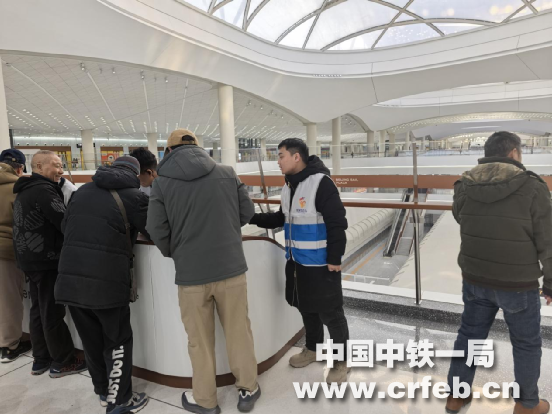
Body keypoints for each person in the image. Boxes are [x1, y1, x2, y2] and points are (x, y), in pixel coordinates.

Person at [146, 129, 259, 414]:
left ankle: (206, 401)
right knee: (239, 332)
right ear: (198, 147)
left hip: (191, 276)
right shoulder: (227, 172)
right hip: (231, 268)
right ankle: (248, 389)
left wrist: (177, 251)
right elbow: (247, 212)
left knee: (199, 341)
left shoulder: (162, 183)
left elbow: (156, 228)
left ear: (167, 152)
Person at [446, 131, 552, 414]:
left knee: (469, 336)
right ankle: (527, 405)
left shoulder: (464, 184)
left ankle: (456, 396)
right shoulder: (532, 186)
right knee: (526, 344)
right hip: (518, 283)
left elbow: (460, 217)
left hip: (475, 277)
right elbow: (547, 239)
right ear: (514, 153)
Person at [249, 138, 350, 384]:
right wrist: (251, 217)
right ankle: (313, 349)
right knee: (307, 308)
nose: (278, 161)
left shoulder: (321, 183)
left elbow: (337, 223)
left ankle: (341, 362)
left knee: (331, 315)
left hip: (322, 264)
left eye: (281, 155)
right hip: (297, 263)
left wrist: (335, 258)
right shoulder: (288, 187)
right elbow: (281, 219)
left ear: (296, 157)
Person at [55, 156, 150, 414]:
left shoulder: (82, 191)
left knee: (91, 341)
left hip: (70, 279)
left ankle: (102, 392)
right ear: (135, 174)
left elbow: (65, 226)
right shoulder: (135, 197)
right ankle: (120, 401)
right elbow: (154, 230)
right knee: (117, 341)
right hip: (107, 283)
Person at [12, 150, 85, 377]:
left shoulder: (25, 189)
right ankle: (63, 361)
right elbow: (66, 222)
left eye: (61, 165)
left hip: (29, 259)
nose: (60, 170)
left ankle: (41, 358)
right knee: (51, 311)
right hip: (47, 260)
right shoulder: (44, 190)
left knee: (38, 309)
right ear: (39, 167)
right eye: (56, 165)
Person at [0, 149, 32, 363]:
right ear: (20, 168)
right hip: (6, 250)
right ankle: (9, 346)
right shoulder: (18, 188)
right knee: (9, 300)